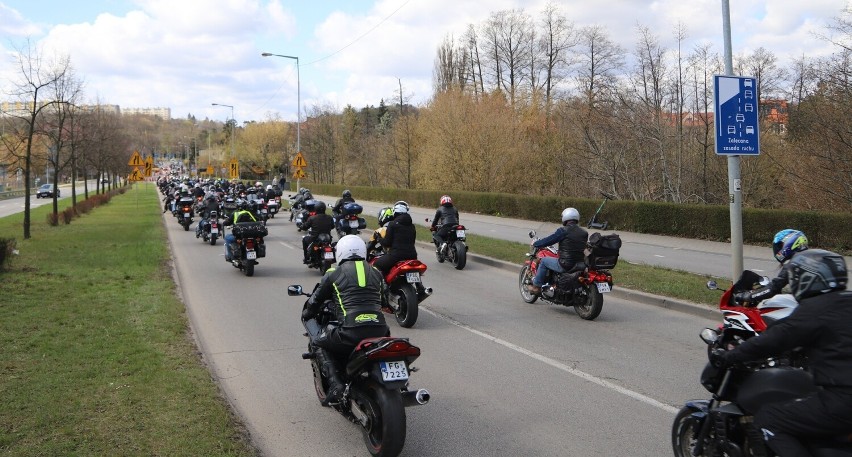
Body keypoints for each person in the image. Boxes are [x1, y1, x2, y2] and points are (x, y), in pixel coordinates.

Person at [712, 249, 851, 457]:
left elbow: (772, 340)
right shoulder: (846, 301)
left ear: (808, 279)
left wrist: (729, 356)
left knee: (769, 420)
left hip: (843, 401)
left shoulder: (814, 310)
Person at [301, 235, 390, 403]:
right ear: (363, 251)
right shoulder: (377, 272)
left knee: (318, 342)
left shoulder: (333, 273)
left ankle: (336, 386)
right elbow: (384, 302)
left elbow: (315, 301)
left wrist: (307, 313)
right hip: (381, 330)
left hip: (349, 332)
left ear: (340, 252)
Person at [734, 229, 809, 306]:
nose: (778, 249)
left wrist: (747, 296)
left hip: (808, 308)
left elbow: (773, 288)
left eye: (780, 245)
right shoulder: (808, 258)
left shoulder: (794, 263)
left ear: (790, 243)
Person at [528, 207, 589, 295]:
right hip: (580, 264)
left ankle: (536, 287)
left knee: (544, 261)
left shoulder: (563, 231)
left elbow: (549, 240)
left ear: (565, 217)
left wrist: (536, 243)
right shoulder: (584, 232)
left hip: (566, 264)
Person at [371, 201, 418, 276]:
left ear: (395, 212)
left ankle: (383, 285)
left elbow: (387, 243)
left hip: (396, 256)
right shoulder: (412, 226)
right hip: (412, 256)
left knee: (376, 264)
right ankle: (420, 287)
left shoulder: (392, 224)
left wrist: (379, 238)